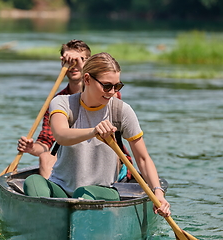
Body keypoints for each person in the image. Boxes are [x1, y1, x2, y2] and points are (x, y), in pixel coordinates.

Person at [23, 52, 171, 217]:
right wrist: (94, 132)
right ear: (87, 80)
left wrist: (158, 192)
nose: (112, 92)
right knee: (33, 181)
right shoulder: (62, 103)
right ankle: (49, 220)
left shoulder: (121, 111)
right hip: (61, 191)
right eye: (107, 86)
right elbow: (61, 136)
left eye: (117, 86)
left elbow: (143, 159)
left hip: (102, 192)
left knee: (83, 194)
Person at [17, 39, 91, 179]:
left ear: (89, 63)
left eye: (80, 60)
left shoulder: (104, 91)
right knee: (45, 157)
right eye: (70, 61)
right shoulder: (57, 101)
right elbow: (45, 143)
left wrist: (84, 68)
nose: (74, 65)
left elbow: (90, 96)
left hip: (100, 157)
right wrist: (31, 148)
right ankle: (55, 199)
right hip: (71, 159)